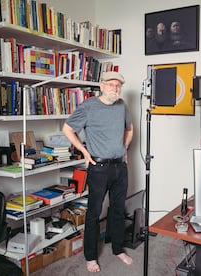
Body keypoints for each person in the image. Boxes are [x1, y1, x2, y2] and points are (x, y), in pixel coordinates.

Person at [62, 71, 134, 273]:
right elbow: (67, 128)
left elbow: (130, 129)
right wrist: (84, 151)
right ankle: (91, 257)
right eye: (111, 84)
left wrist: (125, 148)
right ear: (101, 86)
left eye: (118, 85)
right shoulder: (89, 106)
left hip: (120, 167)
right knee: (93, 213)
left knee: (118, 210)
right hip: (99, 168)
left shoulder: (122, 106)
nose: (115, 88)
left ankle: (118, 249)